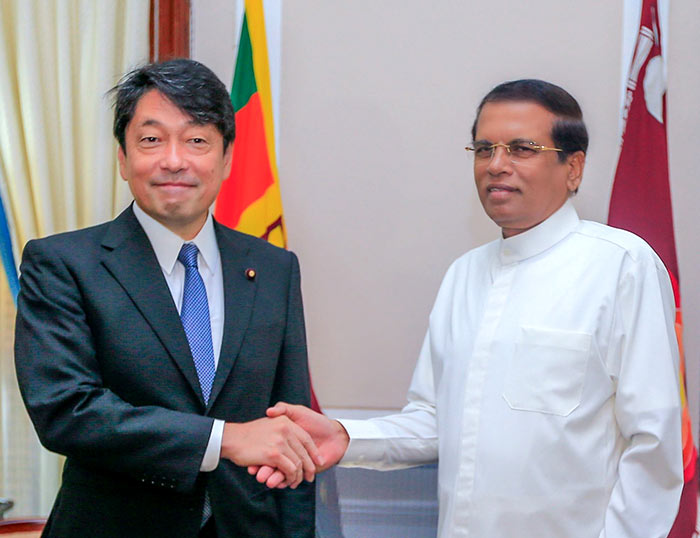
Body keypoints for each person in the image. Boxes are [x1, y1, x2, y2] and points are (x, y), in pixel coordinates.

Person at [255, 79, 684, 537]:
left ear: (573, 167)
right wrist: (346, 436)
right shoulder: (464, 274)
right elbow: (438, 424)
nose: (496, 165)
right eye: (484, 149)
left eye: (521, 148)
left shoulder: (620, 265)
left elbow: (653, 444)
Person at [14, 59, 320, 538]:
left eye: (196, 140)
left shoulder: (275, 268)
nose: (174, 159)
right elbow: (65, 412)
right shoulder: (63, 264)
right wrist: (227, 439)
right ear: (122, 157)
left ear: (227, 158)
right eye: (151, 139)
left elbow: (293, 425)